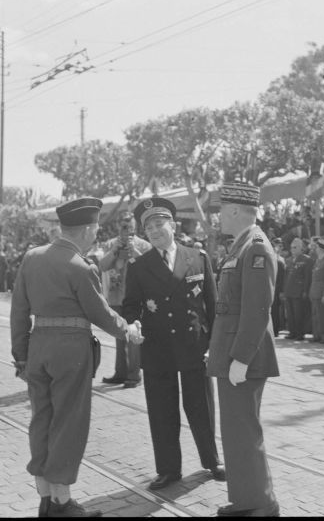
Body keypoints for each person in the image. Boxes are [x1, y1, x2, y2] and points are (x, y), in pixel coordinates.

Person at [10, 197, 144, 517]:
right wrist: (129, 331)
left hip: (38, 347)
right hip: (71, 352)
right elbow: (101, 313)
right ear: (85, 230)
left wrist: (20, 356)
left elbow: (19, 311)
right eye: (96, 229)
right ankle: (61, 501)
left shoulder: (31, 258)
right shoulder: (79, 266)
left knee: (41, 420)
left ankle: (45, 496)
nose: (97, 235)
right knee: (69, 422)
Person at [123, 197, 224, 490]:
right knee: (162, 409)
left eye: (159, 224)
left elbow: (211, 305)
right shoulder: (140, 266)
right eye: (148, 228)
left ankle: (211, 460)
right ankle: (168, 469)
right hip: (158, 347)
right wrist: (133, 324)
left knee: (201, 406)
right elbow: (130, 307)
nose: (154, 231)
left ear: (173, 225)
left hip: (194, 345)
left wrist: (213, 345)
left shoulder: (197, 257)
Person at [206, 182, 280, 517]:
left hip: (243, 358)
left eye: (221, 210)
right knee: (235, 433)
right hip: (232, 353)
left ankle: (260, 504)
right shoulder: (242, 246)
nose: (219, 217)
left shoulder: (256, 247)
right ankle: (246, 500)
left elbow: (256, 309)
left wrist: (240, 358)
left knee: (244, 431)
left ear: (235, 210)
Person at [100, 211, 151, 389]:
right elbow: (103, 266)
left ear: (135, 227)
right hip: (115, 296)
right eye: (123, 225)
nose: (126, 229)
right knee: (119, 335)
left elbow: (151, 266)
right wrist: (114, 251)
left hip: (135, 298)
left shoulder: (144, 245)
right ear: (117, 226)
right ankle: (120, 373)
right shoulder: (109, 244)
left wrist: (133, 250)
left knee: (133, 336)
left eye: (129, 226)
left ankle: (134, 375)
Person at [283, 237, 312, 341]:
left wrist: (305, 291)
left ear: (301, 248)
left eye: (295, 247)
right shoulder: (289, 260)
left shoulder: (306, 259)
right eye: (291, 247)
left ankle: (300, 333)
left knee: (299, 314)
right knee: (290, 314)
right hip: (289, 290)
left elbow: (307, 277)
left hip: (299, 291)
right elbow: (285, 277)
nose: (292, 249)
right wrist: (283, 291)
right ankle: (292, 332)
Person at [309, 239, 324, 344]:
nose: (315, 249)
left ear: (321, 249)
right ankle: (316, 334)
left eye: (317, 247)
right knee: (315, 315)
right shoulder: (318, 260)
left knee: (323, 316)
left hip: (321, 292)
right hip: (314, 292)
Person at [270, 238, 286, 337]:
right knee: (273, 309)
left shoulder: (281, 259)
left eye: (280, 245)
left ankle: (276, 329)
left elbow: (283, 277)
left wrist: (282, 290)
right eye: (277, 245)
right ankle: (274, 329)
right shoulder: (272, 257)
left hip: (277, 288)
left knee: (276, 310)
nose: (279, 247)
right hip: (271, 286)